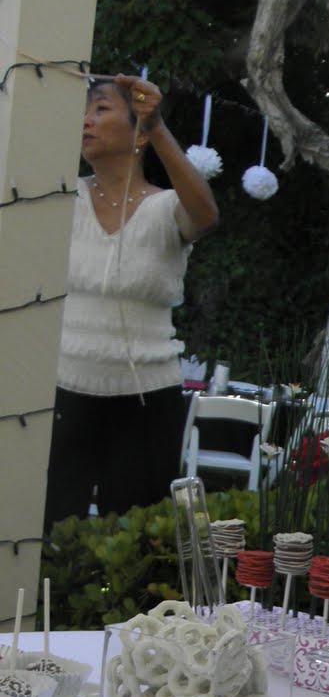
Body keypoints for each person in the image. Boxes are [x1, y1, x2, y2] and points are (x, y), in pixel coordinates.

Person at [44, 74, 220, 529]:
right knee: (48, 532)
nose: (86, 120)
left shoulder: (166, 207)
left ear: (138, 131)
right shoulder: (62, 198)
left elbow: (205, 214)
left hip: (146, 397)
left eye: (100, 109)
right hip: (62, 389)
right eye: (82, 111)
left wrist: (158, 125)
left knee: (140, 540)